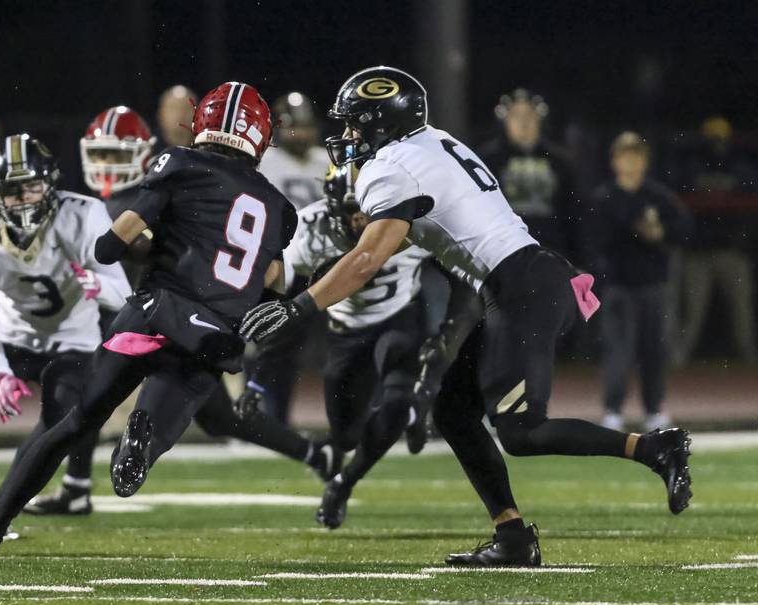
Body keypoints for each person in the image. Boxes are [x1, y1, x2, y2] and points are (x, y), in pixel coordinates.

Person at [240, 66, 694, 567]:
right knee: (454, 410)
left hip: (521, 287)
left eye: (355, 125)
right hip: (523, 282)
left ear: (382, 123)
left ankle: (654, 447)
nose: (347, 136)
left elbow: (367, 259)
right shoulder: (432, 142)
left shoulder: (392, 166)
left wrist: (298, 308)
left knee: (520, 432)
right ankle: (513, 538)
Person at [0, 81, 298, 561]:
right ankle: (146, 435)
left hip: (150, 314)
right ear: (261, 137)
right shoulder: (277, 207)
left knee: (75, 423)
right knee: (171, 406)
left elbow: (111, 244)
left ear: (200, 122)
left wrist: (149, 244)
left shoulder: (179, 164)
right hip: (212, 333)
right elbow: (273, 282)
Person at [239, 163, 431, 529]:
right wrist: (257, 375)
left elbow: (459, 271)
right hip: (345, 332)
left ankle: (345, 482)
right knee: (345, 435)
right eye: (352, 213)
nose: (361, 224)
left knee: (395, 398)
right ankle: (405, 416)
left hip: (400, 318)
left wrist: (445, 339)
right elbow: (279, 305)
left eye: (368, 213)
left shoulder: (412, 218)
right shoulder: (310, 230)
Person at [0, 134, 130, 522]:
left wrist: (96, 284)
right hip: (11, 338)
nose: (24, 198)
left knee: (59, 426)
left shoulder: (83, 216)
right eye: (12, 191)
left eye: (32, 186)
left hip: (73, 343)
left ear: (50, 183)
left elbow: (123, 294)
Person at [588, 132, 692, 432]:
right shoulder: (605, 197)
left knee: (655, 351)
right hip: (619, 286)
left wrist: (661, 233)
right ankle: (613, 409)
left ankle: (653, 409)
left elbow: (684, 228)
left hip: (653, 284)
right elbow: (595, 241)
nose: (631, 161)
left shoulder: (659, 196)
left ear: (645, 161)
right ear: (614, 161)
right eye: (625, 155)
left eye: (636, 155)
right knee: (617, 352)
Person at [249, 92, 332, 424]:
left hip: (328, 266)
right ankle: (269, 421)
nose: (301, 134)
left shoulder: (326, 160)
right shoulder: (264, 162)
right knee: (275, 348)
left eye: (306, 127)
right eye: (293, 127)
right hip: (281, 267)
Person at [674, 117, 758, 364]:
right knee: (692, 312)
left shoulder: (739, 168)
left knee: (742, 310)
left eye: (721, 139)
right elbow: (681, 185)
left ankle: (751, 359)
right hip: (698, 251)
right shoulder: (691, 167)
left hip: (730, 250)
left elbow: (750, 184)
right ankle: (677, 361)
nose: (717, 144)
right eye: (712, 139)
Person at [477, 89, 579, 260]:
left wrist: (577, 259)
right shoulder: (487, 161)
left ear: (539, 119)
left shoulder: (560, 162)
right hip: (504, 255)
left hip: (552, 253)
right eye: (516, 115)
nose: (523, 122)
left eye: (529, 115)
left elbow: (573, 213)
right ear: (505, 120)